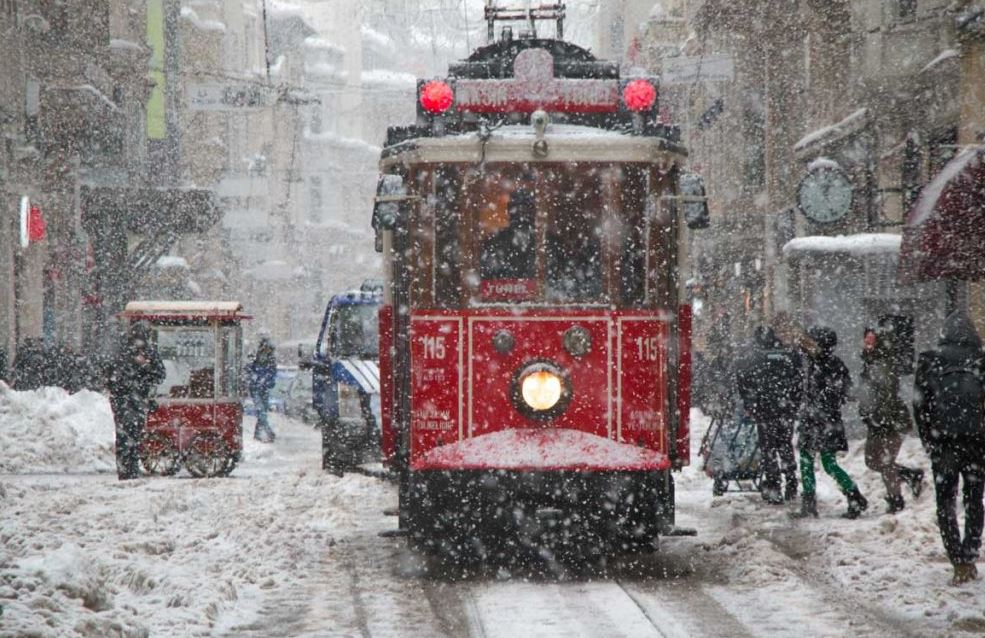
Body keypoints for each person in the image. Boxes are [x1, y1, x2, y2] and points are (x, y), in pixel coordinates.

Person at [914, 311, 985, 585]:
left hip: (943, 442)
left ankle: (955, 556)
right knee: (974, 499)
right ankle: (970, 554)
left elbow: (919, 404)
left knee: (945, 502)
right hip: (976, 442)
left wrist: (928, 440)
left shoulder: (930, 360)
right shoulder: (980, 360)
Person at [793, 326, 868, 519]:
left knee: (820, 462)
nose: (807, 345)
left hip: (821, 421)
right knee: (813, 461)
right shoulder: (818, 363)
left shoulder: (826, 365)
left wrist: (820, 403)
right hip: (822, 420)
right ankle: (849, 497)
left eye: (812, 342)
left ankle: (851, 497)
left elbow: (842, 392)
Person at [859, 324, 925, 513]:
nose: (867, 342)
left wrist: (880, 418)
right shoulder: (871, 361)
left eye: (871, 339)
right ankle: (909, 475)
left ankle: (896, 500)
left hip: (886, 421)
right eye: (866, 339)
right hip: (877, 419)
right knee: (873, 461)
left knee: (884, 462)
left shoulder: (882, 364)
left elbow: (886, 394)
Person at [735, 325, 804, 504]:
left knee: (768, 448)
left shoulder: (755, 357)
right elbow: (799, 379)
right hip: (785, 409)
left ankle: (774, 485)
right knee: (785, 445)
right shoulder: (788, 354)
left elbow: (743, 379)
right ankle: (791, 481)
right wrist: (794, 403)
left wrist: (750, 403)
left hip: (765, 409)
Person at [106, 322, 165, 480]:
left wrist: (145, 367)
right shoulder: (126, 353)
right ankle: (128, 468)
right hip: (128, 399)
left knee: (128, 435)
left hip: (132, 399)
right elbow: (111, 374)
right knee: (128, 434)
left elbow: (159, 374)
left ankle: (128, 468)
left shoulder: (140, 353)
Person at [480, 172, 538, 281]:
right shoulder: (494, 242)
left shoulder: (544, 242)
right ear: (510, 210)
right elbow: (488, 277)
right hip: (503, 295)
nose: (521, 214)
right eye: (517, 208)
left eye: (526, 209)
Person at [249, 335, 278, 442]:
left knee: (262, 412)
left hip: (263, 388)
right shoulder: (257, 357)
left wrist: (266, 380)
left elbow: (272, 373)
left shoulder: (270, 359)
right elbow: (250, 369)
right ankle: (268, 431)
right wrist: (256, 378)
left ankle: (257, 434)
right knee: (261, 411)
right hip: (256, 388)